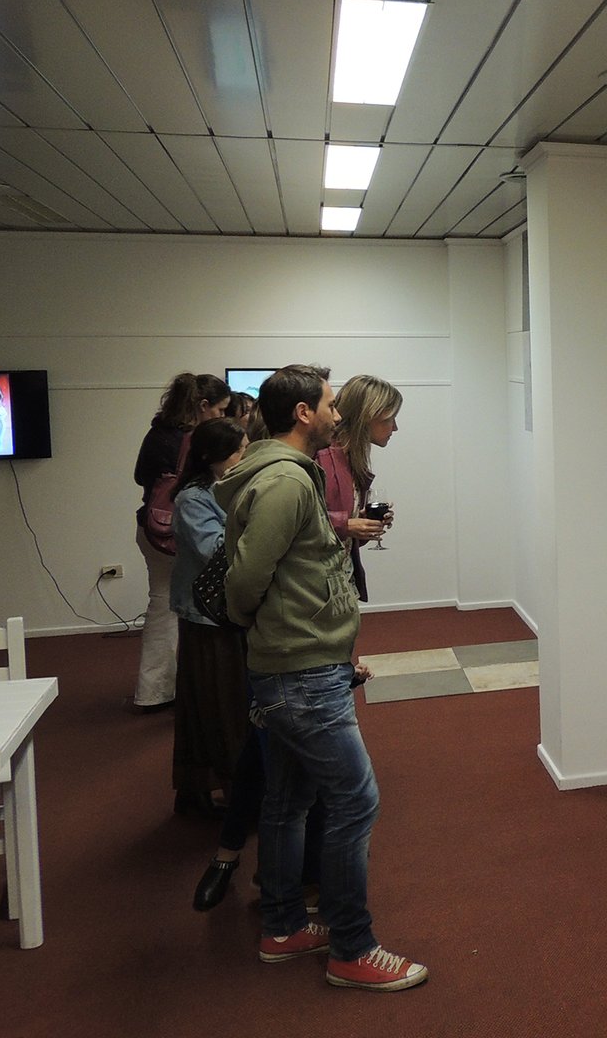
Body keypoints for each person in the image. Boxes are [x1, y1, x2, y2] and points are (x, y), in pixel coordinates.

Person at [215, 364, 426, 992]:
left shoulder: (290, 472)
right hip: (301, 672)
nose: (339, 414)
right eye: (332, 404)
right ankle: (352, 948)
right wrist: (271, 627)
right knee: (355, 801)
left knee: (287, 802)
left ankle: (283, 927)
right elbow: (245, 580)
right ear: (304, 413)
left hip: (298, 663)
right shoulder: (286, 481)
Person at [131, 372, 230, 711]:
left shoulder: (157, 432)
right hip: (175, 533)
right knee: (180, 611)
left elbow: (140, 477)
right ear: (203, 405)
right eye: (220, 409)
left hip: (150, 528)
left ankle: (156, 688)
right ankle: (164, 691)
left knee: (161, 606)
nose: (222, 416)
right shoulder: (192, 441)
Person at [169, 417, 250, 818]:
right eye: (238, 451)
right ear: (210, 456)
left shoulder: (230, 488)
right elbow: (216, 551)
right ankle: (226, 793)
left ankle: (216, 791)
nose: (245, 457)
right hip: (205, 616)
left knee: (225, 703)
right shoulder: (193, 499)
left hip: (227, 610)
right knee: (217, 707)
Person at [316, 375, 401, 602]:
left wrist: (361, 525)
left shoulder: (351, 459)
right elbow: (299, 523)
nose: (395, 427)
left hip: (340, 584)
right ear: (366, 416)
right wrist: (346, 524)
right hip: (317, 589)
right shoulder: (323, 457)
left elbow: (343, 538)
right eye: (389, 419)